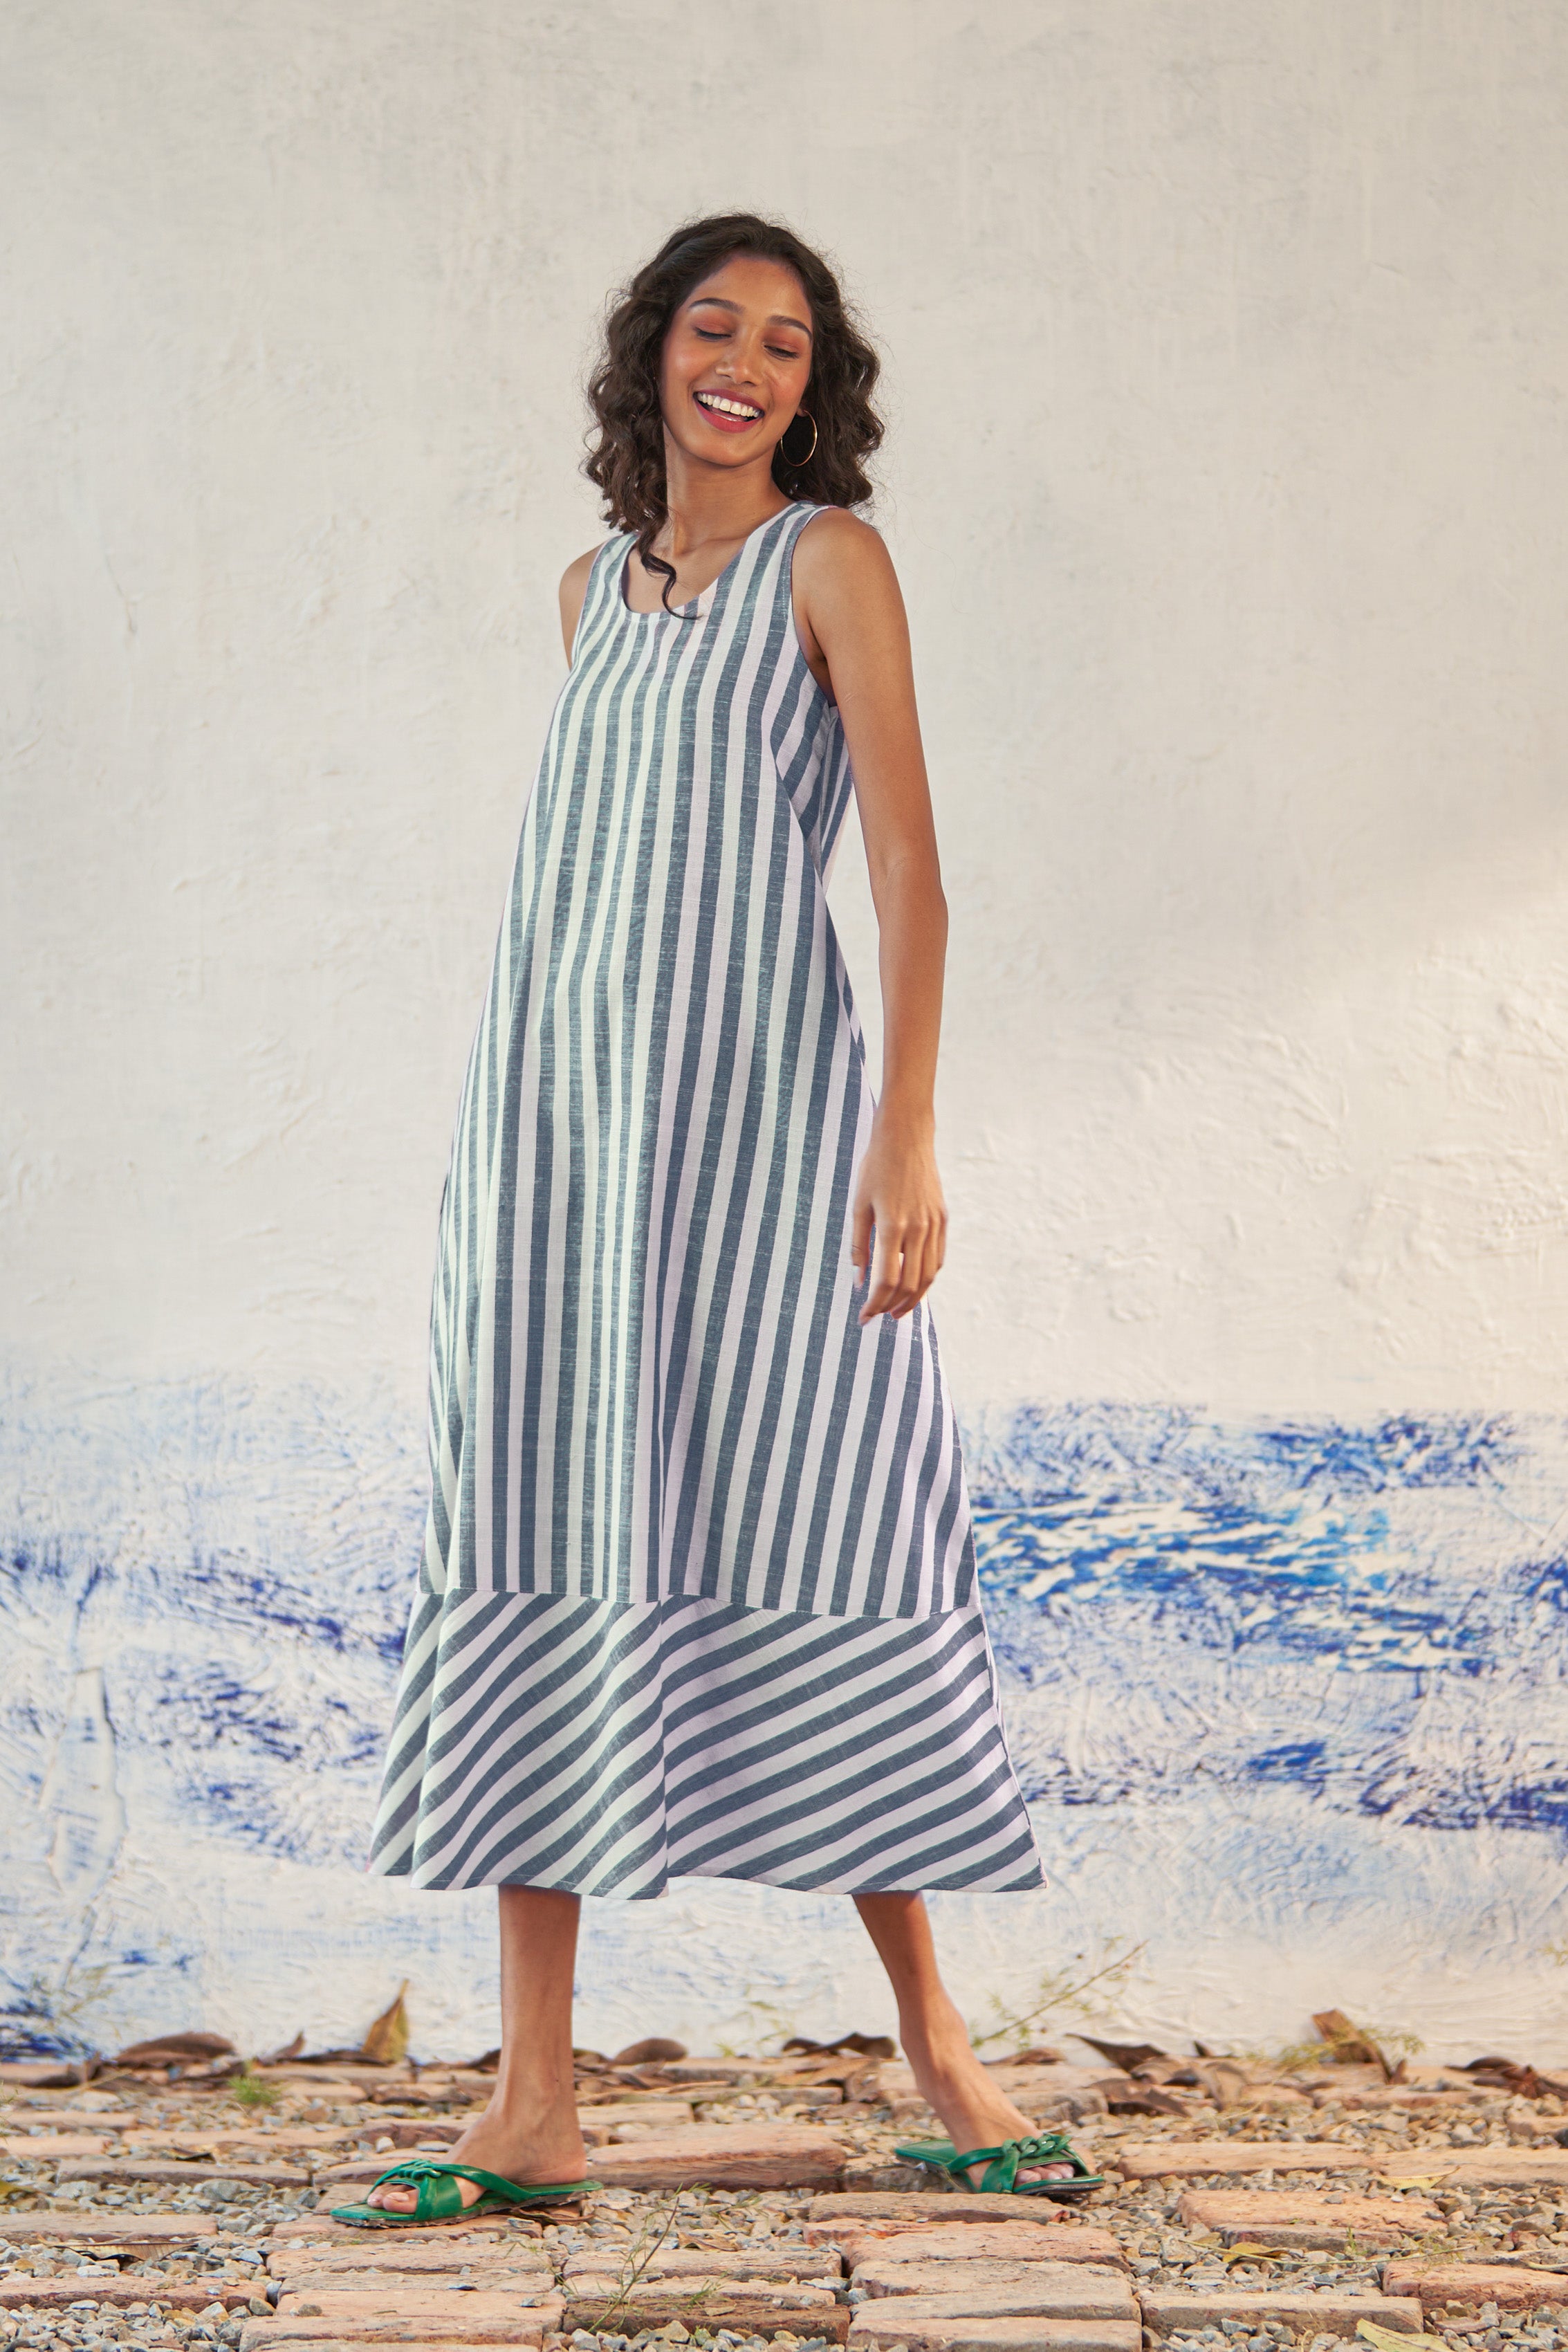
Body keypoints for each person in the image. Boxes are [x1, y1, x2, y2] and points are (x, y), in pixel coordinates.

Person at [342, 214, 1094, 2226]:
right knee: (547, 1521)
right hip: (558, 1153)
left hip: (766, 1133)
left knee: (835, 1513)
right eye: (711, 324)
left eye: (782, 340)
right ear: (653, 353)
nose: (743, 362)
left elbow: (910, 864)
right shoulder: (588, 595)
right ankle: (532, 2102)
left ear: (809, 388)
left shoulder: (827, 561)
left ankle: (940, 2047)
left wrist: (905, 1130)